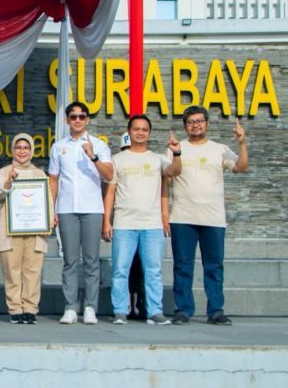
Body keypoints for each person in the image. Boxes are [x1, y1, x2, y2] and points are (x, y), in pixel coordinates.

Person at [168, 106, 249, 325]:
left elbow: (241, 167)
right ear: (185, 126)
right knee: (182, 265)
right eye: (191, 122)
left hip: (213, 218)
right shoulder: (177, 147)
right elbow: (171, 173)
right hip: (182, 217)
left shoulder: (219, 149)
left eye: (199, 121)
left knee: (214, 266)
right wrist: (175, 152)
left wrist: (241, 142)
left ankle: (215, 311)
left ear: (207, 123)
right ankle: (183, 310)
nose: (196, 125)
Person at [103, 115, 181, 325]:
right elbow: (110, 192)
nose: (140, 132)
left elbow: (174, 171)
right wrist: (106, 220)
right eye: (136, 129)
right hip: (124, 223)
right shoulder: (117, 160)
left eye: (144, 129)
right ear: (129, 131)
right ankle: (120, 310)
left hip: (152, 224)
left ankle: (154, 311)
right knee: (121, 270)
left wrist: (177, 153)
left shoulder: (158, 159)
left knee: (153, 271)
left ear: (149, 133)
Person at [48, 101, 113, 325]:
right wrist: (51, 208)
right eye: (73, 116)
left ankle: (90, 307)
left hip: (93, 208)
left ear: (87, 119)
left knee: (92, 260)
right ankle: (70, 307)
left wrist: (93, 156)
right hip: (66, 208)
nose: (77, 120)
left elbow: (109, 175)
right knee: (70, 260)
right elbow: (54, 179)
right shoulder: (58, 146)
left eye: (81, 116)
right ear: (67, 120)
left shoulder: (99, 145)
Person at [0, 133, 54, 324]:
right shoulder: (3, 172)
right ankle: (15, 309)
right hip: (10, 229)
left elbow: (47, 200)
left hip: (34, 229)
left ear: (31, 151)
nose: (22, 151)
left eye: (26, 148)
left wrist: (49, 220)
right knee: (12, 270)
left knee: (32, 271)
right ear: (13, 150)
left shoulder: (39, 173)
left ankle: (30, 308)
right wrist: (9, 182)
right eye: (18, 147)